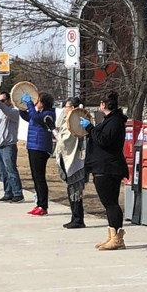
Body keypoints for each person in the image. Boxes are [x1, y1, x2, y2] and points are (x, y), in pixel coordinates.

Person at [81, 91, 128, 250]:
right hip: (103, 166)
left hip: (108, 167)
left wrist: (90, 128)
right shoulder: (110, 120)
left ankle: (117, 238)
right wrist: (92, 131)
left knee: (111, 203)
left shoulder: (114, 121)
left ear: (103, 105)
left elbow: (104, 140)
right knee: (108, 203)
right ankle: (112, 235)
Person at [19, 92, 57, 216]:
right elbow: (28, 116)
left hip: (40, 148)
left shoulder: (48, 114)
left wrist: (29, 103)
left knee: (40, 178)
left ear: (43, 103)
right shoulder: (39, 113)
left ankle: (43, 205)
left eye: (38, 101)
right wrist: (21, 107)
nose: (36, 103)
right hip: (33, 146)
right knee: (36, 177)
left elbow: (35, 117)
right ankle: (39, 203)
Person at [54, 97, 88, 229]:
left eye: (67, 107)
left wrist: (55, 133)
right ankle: (74, 217)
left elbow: (64, 141)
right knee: (70, 188)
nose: (64, 109)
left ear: (73, 108)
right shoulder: (68, 120)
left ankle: (78, 218)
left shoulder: (76, 122)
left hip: (74, 159)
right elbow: (59, 126)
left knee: (76, 190)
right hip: (67, 158)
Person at [0, 91, 24, 203]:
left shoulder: (13, 112)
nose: (0, 103)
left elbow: (6, 110)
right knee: (3, 172)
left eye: (3, 100)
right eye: (0, 100)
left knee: (11, 170)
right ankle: (8, 192)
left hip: (8, 145)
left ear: (8, 101)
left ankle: (17, 193)